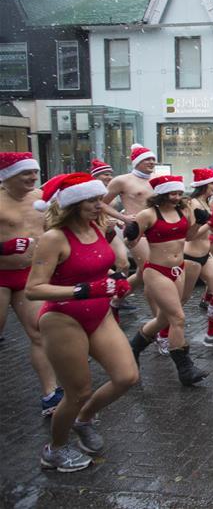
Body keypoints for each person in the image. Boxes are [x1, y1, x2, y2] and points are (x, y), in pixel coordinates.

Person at [25, 173, 138, 472]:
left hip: (99, 313)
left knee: (127, 377)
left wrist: (115, 281)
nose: (99, 206)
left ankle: (83, 419)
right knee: (78, 392)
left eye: (98, 199)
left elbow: (100, 271)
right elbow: (34, 288)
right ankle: (54, 451)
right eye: (91, 201)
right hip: (63, 318)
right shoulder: (54, 238)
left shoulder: (97, 229)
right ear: (72, 204)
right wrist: (84, 290)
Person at [124, 175, 210, 386]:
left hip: (178, 270)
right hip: (156, 271)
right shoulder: (148, 215)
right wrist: (131, 234)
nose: (176, 197)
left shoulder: (183, 210)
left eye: (179, 193)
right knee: (178, 318)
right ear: (161, 194)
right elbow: (131, 242)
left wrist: (198, 222)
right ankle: (185, 368)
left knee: (164, 319)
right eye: (172, 194)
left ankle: (133, 348)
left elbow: (189, 237)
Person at [0, 152, 62, 415]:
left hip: (30, 275)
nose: (33, 178)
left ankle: (50, 393)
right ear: (8, 175)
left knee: (39, 332)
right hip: (1, 276)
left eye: (35, 173)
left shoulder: (40, 199)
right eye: (26, 173)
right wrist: (5, 247)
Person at [177, 168, 213, 349]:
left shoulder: (205, 203)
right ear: (202, 185)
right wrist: (211, 223)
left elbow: (211, 225)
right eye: (212, 183)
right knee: (181, 300)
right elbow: (189, 236)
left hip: (205, 255)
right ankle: (162, 335)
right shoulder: (191, 204)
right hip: (191, 256)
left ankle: (212, 334)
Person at [101, 144, 157, 294]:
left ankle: (117, 298)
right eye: (147, 159)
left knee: (141, 273)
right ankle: (161, 309)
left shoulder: (156, 180)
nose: (152, 162)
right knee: (150, 270)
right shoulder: (122, 181)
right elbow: (100, 203)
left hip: (156, 228)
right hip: (136, 229)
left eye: (153, 159)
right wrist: (122, 217)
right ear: (137, 162)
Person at [91, 159, 130, 277]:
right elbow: (98, 209)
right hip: (95, 232)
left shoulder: (110, 191)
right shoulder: (88, 193)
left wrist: (117, 220)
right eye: (106, 174)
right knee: (98, 266)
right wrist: (122, 218)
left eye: (110, 174)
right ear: (95, 176)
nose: (109, 177)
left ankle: (119, 292)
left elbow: (108, 212)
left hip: (110, 232)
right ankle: (106, 288)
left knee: (124, 265)